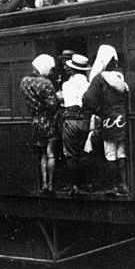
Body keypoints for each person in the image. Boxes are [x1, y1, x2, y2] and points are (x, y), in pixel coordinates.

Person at [83, 45, 130, 195]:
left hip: (108, 119)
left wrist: (99, 111)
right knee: (121, 152)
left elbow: (87, 99)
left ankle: (114, 185)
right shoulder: (120, 76)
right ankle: (124, 184)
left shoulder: (99, 78)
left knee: (110, 153)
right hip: (122, 118)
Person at [21, 54, 60, 195]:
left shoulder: (25, 82)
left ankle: (43, 183)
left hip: (35, 122)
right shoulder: (47, 83)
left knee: (42, 153)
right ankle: (50, 185)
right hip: (48, 121)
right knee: (51, 153)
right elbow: (52, 105)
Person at [60, 54, 91, 195]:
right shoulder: (87, 83)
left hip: (71, 119)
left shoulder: (67, 85)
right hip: (84, 119)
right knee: (83, 151)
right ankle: (86, 183)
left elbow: (64, 100)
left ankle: (74, 185)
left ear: (73, 69)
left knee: (70, 154)